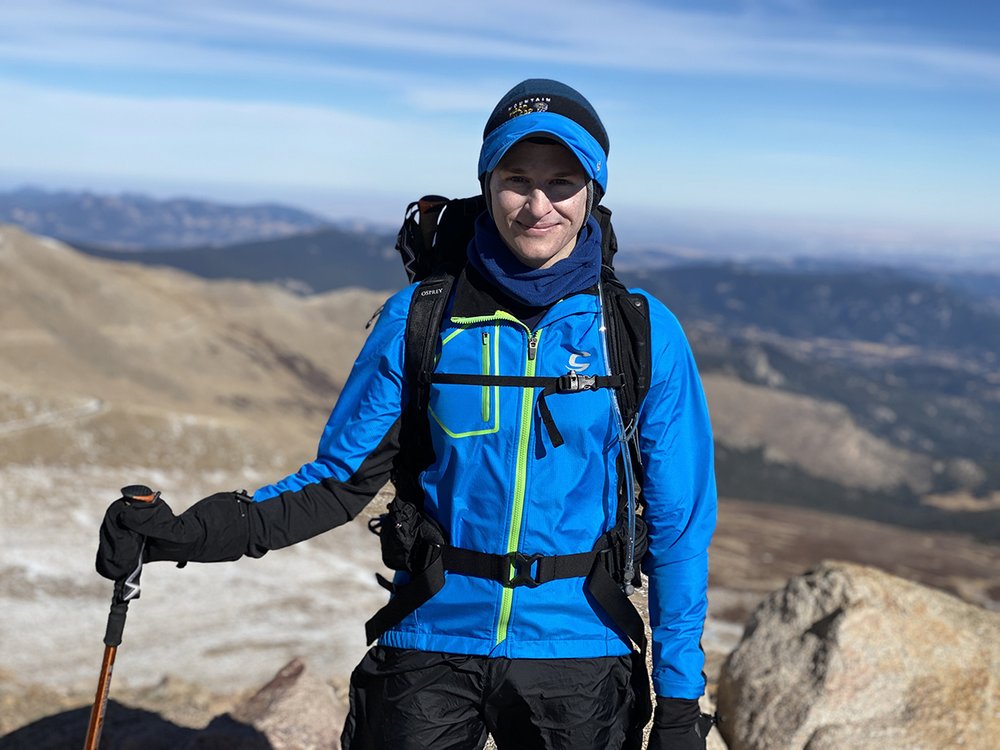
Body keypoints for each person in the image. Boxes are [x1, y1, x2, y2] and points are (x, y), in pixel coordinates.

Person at [97, 79, 717, 750]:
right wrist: (188, 533)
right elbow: (337, 481)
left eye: (563, 182)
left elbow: (678, 526)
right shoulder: (419, 318)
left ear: (593, 190)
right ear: (487, 183)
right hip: (430, 631)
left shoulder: (639, 333)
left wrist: (680, 705)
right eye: (517, 180)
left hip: (580, 648)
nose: (539, 205)